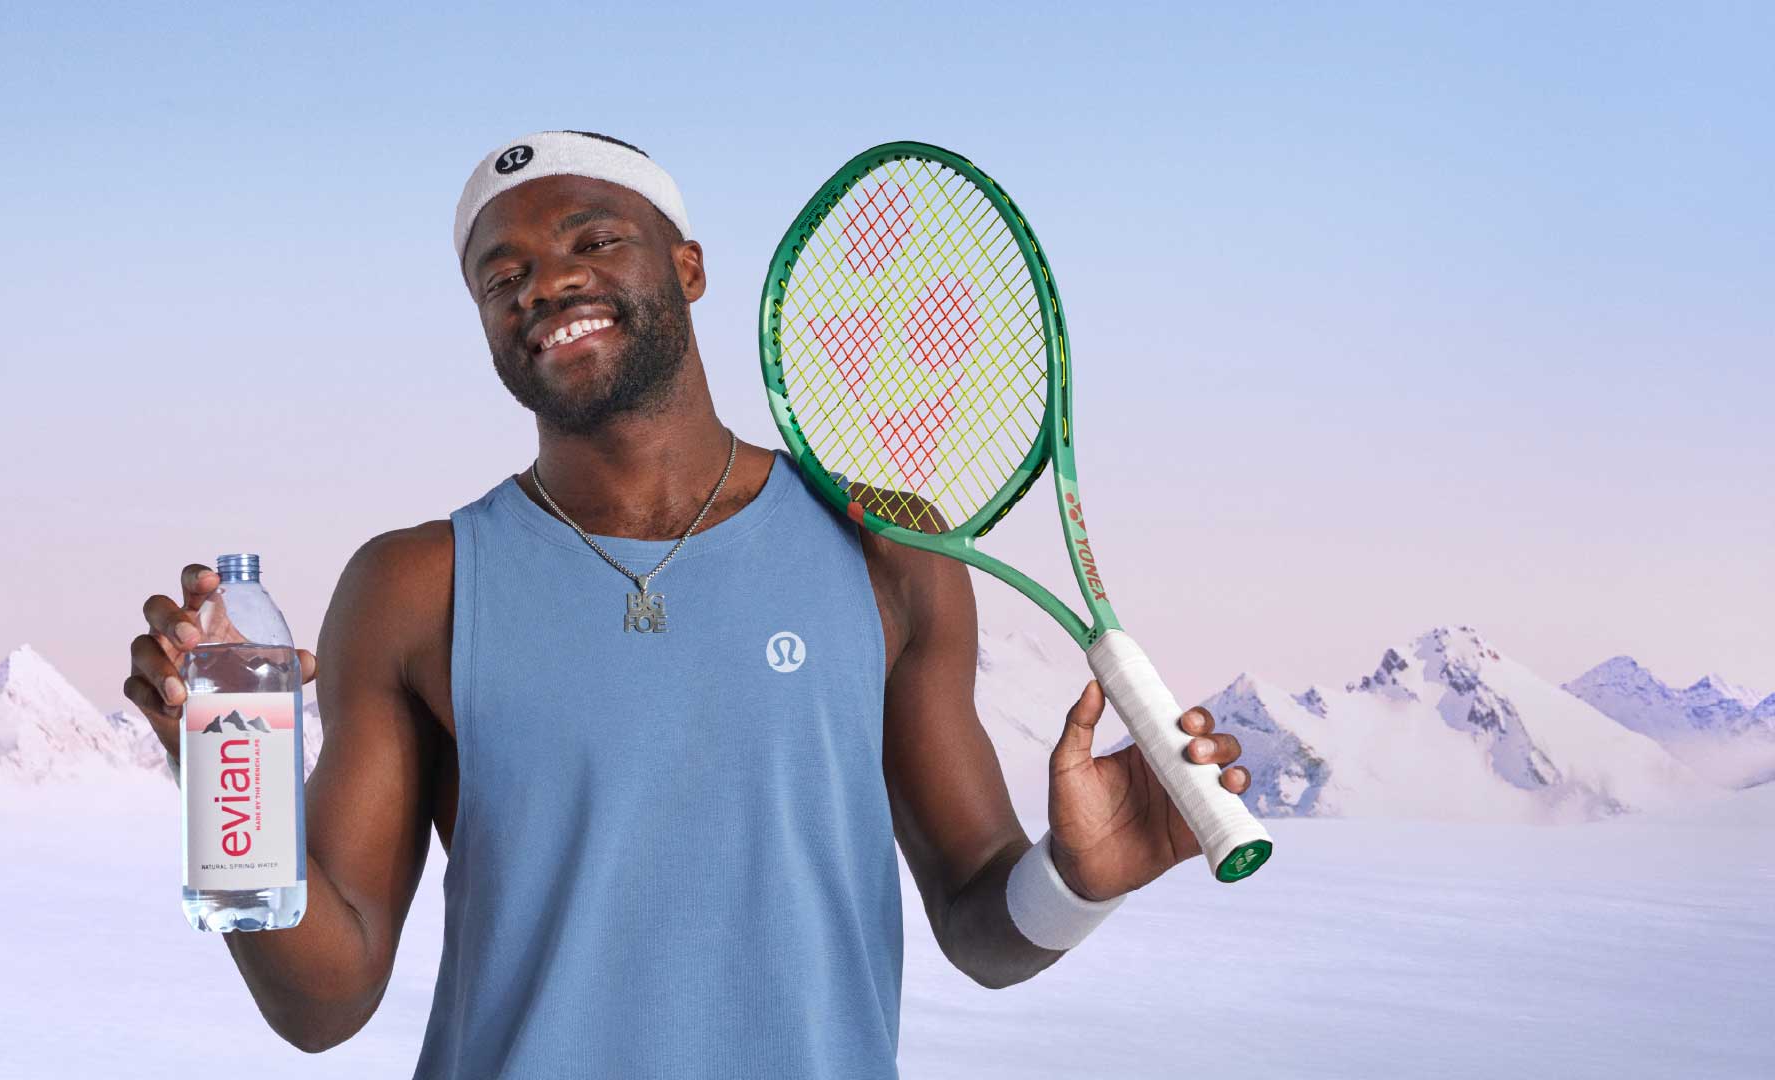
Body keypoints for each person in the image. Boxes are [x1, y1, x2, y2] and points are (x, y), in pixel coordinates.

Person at [122, 130, 1252, 1079]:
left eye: (592, 240)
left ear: (690, 266)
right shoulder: (415, 586)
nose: (545, 284)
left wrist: (1076, 880)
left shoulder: (886, 544)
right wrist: (225, 797)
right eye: (499, 277)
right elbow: (323, 1006)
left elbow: (976, 920)